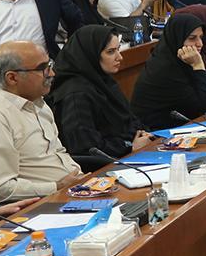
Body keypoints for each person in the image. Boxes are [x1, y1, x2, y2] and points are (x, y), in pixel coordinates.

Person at [0, 41, 82, 204]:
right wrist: (56, 186)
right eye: (43, 68)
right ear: (12, 78)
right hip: (41, 206)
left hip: (75, 192)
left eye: (50, 65)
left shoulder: (39, 104)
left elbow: (58, 153)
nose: (52, 73)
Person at [46, 25, 154, 158]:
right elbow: (86, 147)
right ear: (91, 53)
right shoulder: (76, 95)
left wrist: (142, 134)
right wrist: (130, 147)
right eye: (111, 52)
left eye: (118, 49)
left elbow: (128, 120)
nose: (119, 57)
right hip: (104, 165)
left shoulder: (102, 81)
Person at [130, 12, 206, 130]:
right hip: (156, 135)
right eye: (192, 38)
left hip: (180, 127)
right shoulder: (164, 69)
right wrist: (198, 66)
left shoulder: (180, 61)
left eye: (201, 37)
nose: (200, 44)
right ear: (177, 38)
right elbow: (202, 106)